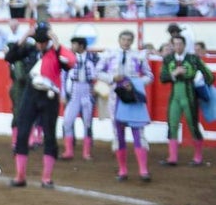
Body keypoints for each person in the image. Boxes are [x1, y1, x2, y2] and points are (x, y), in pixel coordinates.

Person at [6, 23, 74, 188]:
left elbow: (68, 64)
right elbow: (10, 57)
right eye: (38, 41)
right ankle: (20, 176)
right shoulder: (31, 50)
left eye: (43, 41)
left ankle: (46, 178)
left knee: (49, 135)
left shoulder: (57, 51)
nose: (40, 44)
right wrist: (24, 36)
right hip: (31, 94)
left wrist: (56, 40)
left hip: (49, 97)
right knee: (22, 133)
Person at [97, 30, 152, 182]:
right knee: (118, 134)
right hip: (116, 98)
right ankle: (122, 170)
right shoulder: (109, 54)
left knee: (138, 134)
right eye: (124, 39)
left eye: (129, 40)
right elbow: (97, 72)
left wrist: (135, 83)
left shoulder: (139, 56)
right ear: (119, 40)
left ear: (132, 41)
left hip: (133, 97)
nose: (126, 42)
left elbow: (149, 76)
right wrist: (112, 78)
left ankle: (143, 170)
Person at [159, 34, 213, 167]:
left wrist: (199, 83)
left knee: (193, 125)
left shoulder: (193, 59)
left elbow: (209, 76)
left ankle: (198, 158)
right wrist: (174, 74)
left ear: (184, 45)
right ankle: (172, 158)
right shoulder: (168, 59)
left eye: (180, 44)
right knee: (172, 125)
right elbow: (162, 77)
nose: (177, 46)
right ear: (172, 45)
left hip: (190, 96)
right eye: (175, 44)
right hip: (175, 97)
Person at [59, 36, 97, 161]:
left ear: (81, 46)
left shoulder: (93, 58)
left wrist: (96, 88)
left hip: (88, 93)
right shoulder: (69, 59)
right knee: (67, 123)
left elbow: (100, 73)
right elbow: (63, 77)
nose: (72, 47)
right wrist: (63, 95)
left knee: (87, 124)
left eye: (74, 44)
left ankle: (87, 153)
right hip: (74, 93)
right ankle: (69, 151)